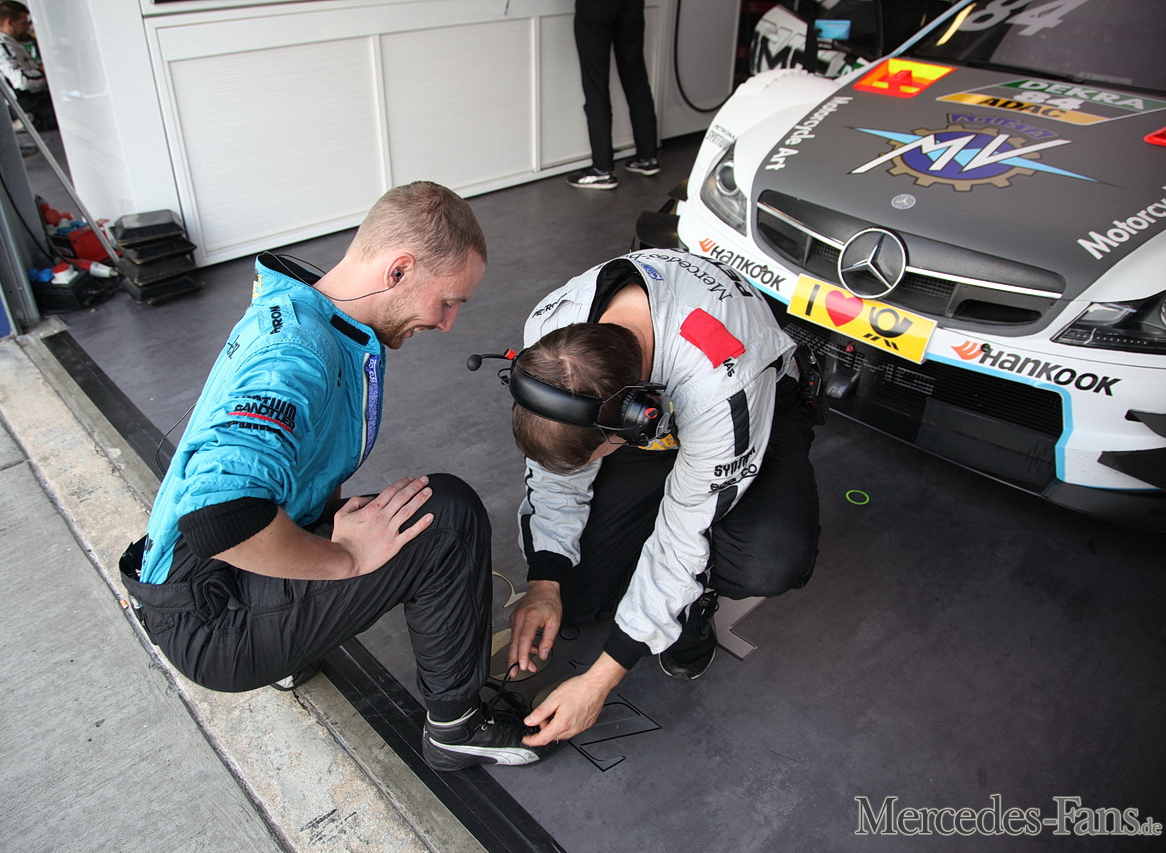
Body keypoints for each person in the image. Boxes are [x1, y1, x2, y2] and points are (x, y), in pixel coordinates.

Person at [118, 182, 556, 772]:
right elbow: (216, 517)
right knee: (446, 517)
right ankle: (456, 728)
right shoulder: (298, 353)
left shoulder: (309, 310)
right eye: (448, 302)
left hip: (194, 583)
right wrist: (344, 559)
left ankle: (286, 643)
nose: (449, 323)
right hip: (210, 616)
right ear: (399, 270)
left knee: (356, 511)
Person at [504, 249, 821, 747]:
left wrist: (599, 681)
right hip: (652, 413)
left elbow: (686, 525)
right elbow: (555, 473)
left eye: (593, 455)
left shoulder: (722, 380)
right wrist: (546, 580)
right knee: (578, 596)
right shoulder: (550, 332)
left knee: (769, 558)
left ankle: (701, 597)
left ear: (630, 425)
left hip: (751, 410)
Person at [566, 0, 660, 190]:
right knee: (636, 80)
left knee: (596, 86)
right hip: (631, 5)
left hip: (597, 8)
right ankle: (647, 158)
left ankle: (602, 169)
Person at [0, 1, 56, 131]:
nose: (27, 28)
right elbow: (21, 81)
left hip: (36, 97)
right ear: (10, 23)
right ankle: (29, 122)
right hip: (24, 102)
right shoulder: (0, 46)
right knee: (66, 112)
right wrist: (43, 72)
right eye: (23, 23)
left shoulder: (13, 42)